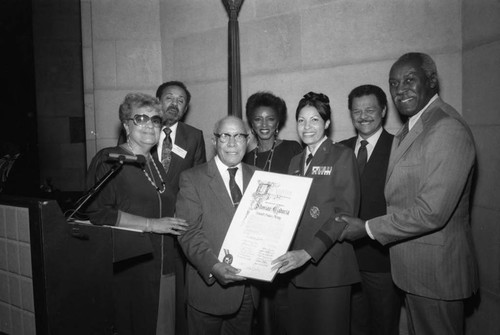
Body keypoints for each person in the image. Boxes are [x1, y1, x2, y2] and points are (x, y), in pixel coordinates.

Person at [338, 52, 479, 335]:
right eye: (394, 83)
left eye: (409, 80)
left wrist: (366, 228)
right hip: (414, 272)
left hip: (436, 275)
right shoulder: (413, 128)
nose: (400, 89)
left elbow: (432, 212)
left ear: (431, 80)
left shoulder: (446, 127)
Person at [85, 93, 188, 335]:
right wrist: (152, 224)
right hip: (133, 267)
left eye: (155, 120)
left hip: (165, 263)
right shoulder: (109, 159)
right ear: (126, 125)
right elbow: (98, 213)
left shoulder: (153, 163)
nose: (150, 125)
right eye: (141, 119)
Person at [271, 92, 360, 335]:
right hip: (297, 270)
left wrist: (308, 253)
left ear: (327, 124)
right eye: (301, 120)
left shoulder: (342, 155)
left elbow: (344, 215)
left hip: (329, 268)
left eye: (314, 120)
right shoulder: (295, 162)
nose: (307, 127)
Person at [176, 116, 259, 335]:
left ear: (248, 140)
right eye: (225, 136)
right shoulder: (192, 178)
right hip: (208, 290)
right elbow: (188, 233)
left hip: (248, 293)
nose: (232, 143)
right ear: (214, 141)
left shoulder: (260, 177)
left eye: (239, 136)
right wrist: (213, 266)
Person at [340, 85, 401, 335]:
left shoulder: (400, 147)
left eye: (370, 110)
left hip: (383, 261)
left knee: (384, 327)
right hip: (347, 262)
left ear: (384, 111)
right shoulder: (340, 149)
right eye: (357, 111)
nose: (363, 116)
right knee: (354, 327)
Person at [242, 91, 302, 335]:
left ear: (278, 122)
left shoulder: (292, 149)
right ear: (251, 123)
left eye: (270, 119)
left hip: (287, 239)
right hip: (256, 242)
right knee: (262, 311)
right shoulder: (245, 156)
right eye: (258, 119)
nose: (264, 124)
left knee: (286, 310)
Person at [155, 80, 207, 334]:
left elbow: (199, 179)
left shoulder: (194, 136)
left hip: (178, 225)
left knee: (177, 291)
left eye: (180, 100)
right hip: (144, 220)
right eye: (169, 98)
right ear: (158, 101)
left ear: (185, 108)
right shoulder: (143, 130)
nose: (174, 104)